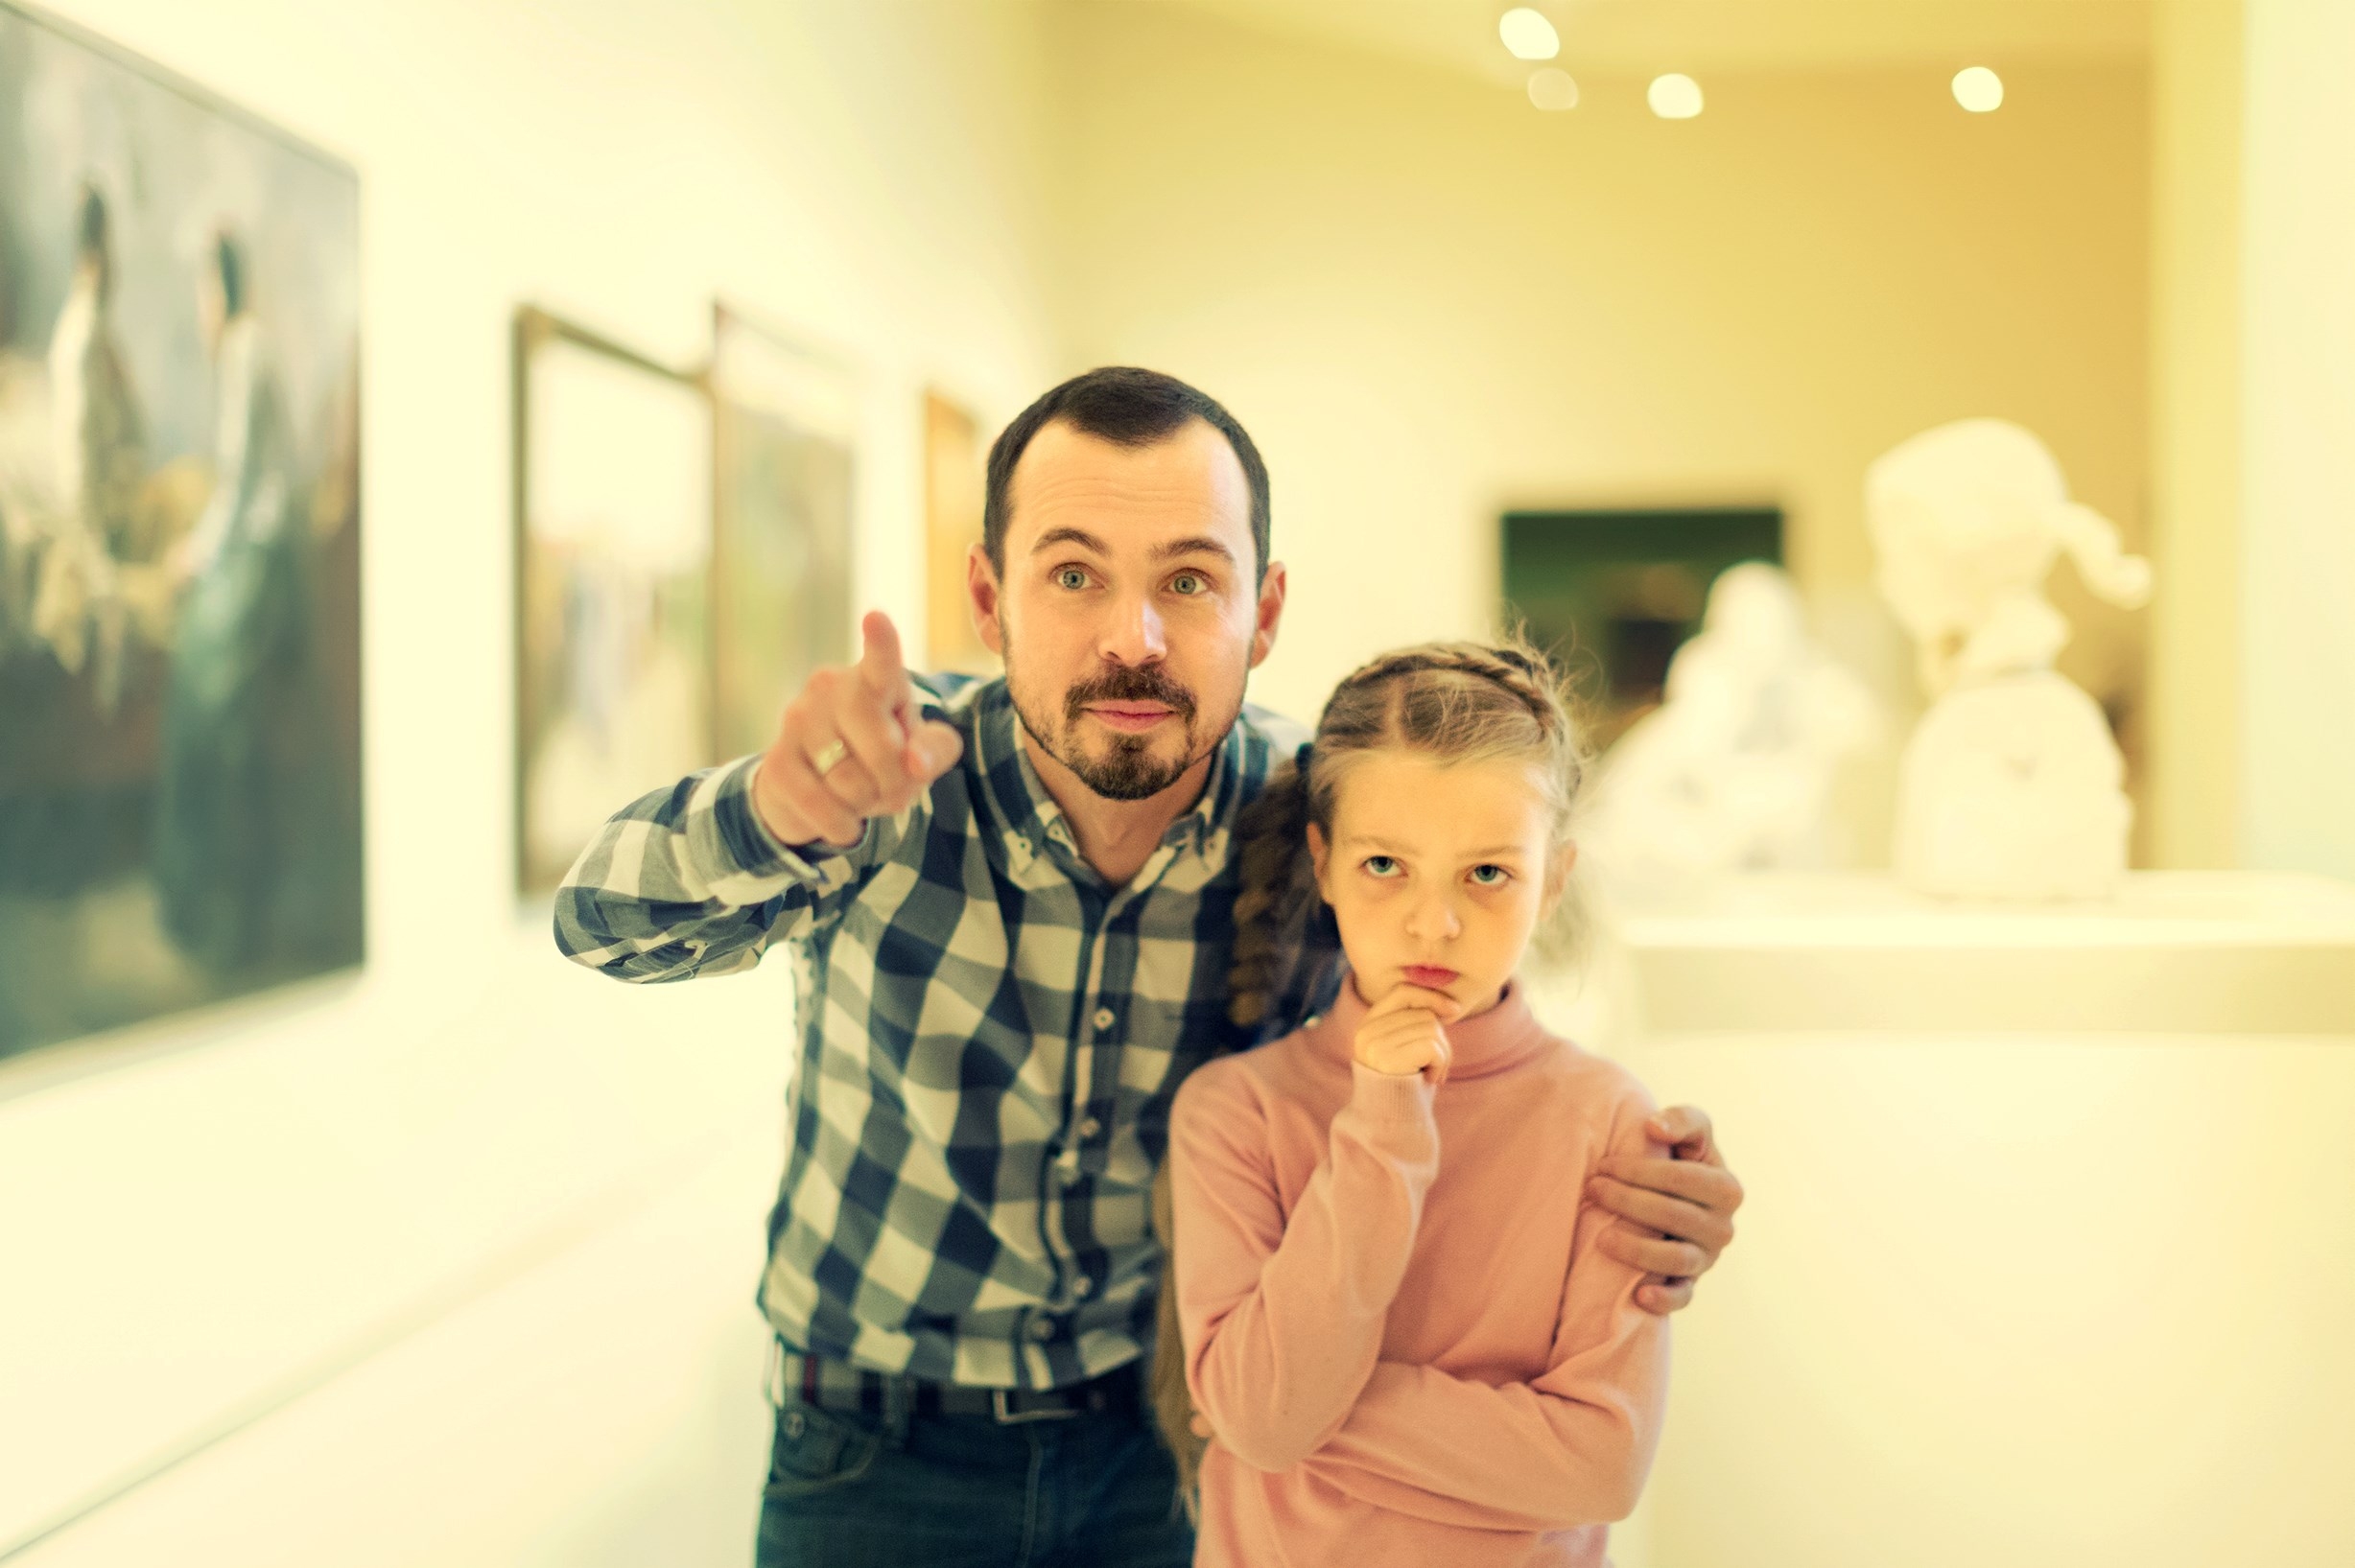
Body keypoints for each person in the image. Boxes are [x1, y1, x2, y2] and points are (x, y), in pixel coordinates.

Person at [553, 367, 1743, 1566]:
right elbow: (599, 921)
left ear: (1263, 614)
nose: (1135, 639)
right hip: (876, 1453)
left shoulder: (1326, 817)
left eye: (1188, 580)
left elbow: (1471, 1016)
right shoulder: (881, 785)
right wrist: (771, 811)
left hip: (1173, 1464)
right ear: (988, 595)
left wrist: (1639, 1181)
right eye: (1074, 576)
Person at [1160, 637, 1663, 1566]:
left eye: (1487, 873)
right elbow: (1266, 1420)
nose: (1434, 923)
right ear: (1322, 860)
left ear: (1551, 880)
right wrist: (1385, 1120)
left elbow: (1601, 1466)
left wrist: (1297, 1408)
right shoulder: (1232, 1113)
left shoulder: (1609, 1122)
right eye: (1385, 866)